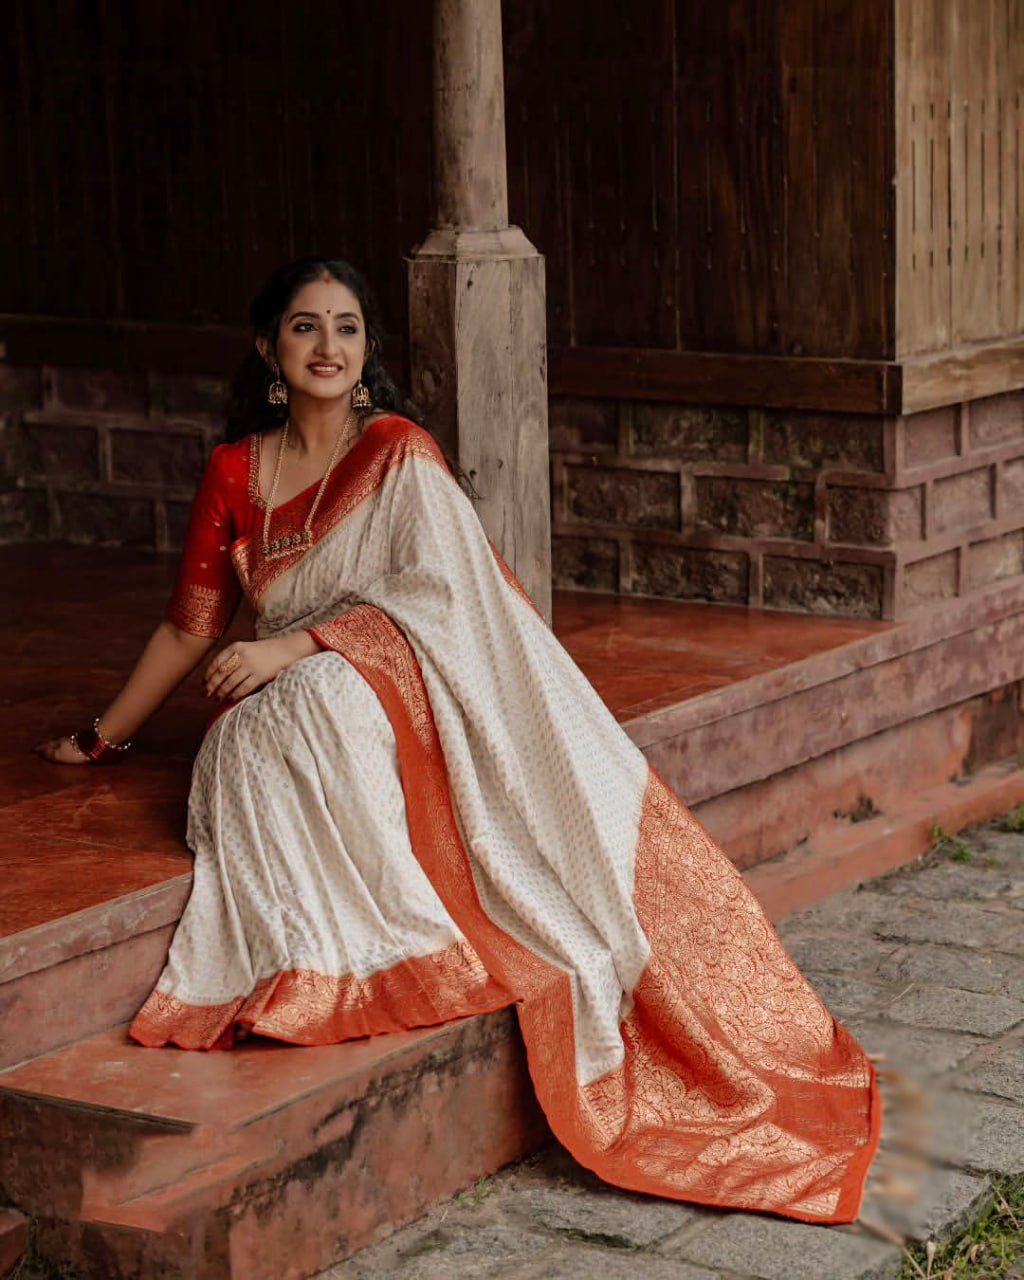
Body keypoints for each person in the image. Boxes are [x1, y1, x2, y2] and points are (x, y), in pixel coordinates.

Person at [36, 257, 880, 1225]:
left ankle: (415, 930)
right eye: (305, 327)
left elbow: (447, 596)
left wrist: (301, 639)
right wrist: (105, 737)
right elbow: (191, 621)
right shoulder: (235, 467)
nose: (327, 346)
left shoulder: (398, 451)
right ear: (267, 347)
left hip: (406, 684)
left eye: (347, 328)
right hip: (288, 695)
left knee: (315, 701)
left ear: (366, 351)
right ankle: (337, 949)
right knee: (269, 733)